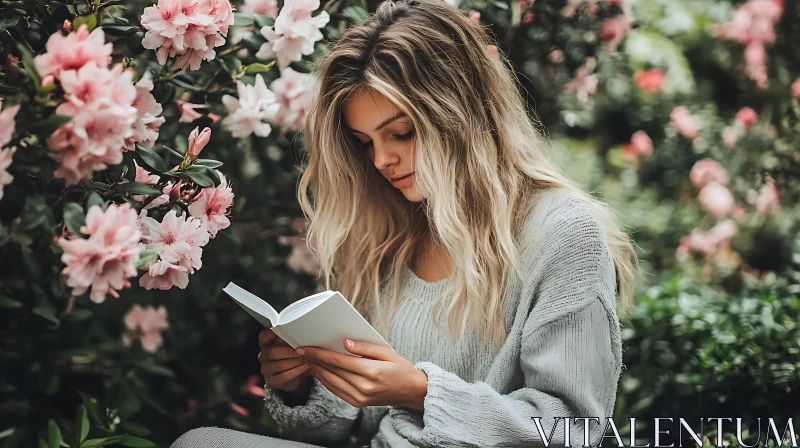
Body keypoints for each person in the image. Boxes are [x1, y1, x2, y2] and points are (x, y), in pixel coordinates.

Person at [172, 0, 639, 446]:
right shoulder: (389, 232)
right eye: (364, 142)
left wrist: (421, 392)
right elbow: (351, 432)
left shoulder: (562, 232)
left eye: (401, 133)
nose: (382, 160)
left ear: (462, 114)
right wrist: (301, 384)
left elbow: (573, 428)